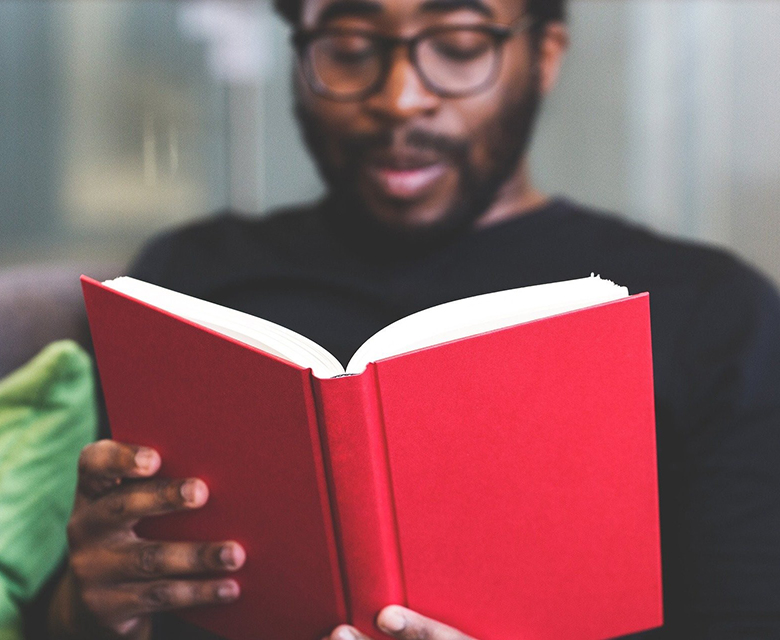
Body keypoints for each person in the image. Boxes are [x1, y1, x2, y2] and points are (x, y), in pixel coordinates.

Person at [47, 0, 780, 638]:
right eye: (350, 49)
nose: (400, 99)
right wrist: (93, 612)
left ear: (544, 56)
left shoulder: (710, 311)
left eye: (460, 47)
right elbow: (87, 598)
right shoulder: (182, 284)